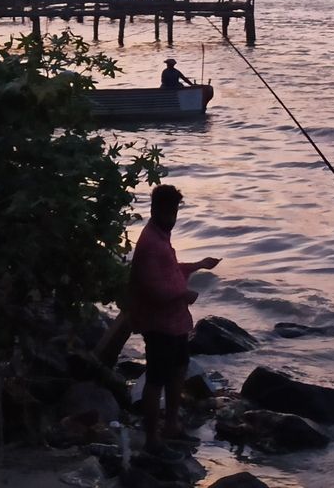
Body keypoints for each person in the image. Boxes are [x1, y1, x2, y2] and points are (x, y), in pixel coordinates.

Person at [129, 184, 221, 462]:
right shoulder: (149, 244)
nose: (173, 217)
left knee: (178, 370)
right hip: (159, 324)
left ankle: (172, 424)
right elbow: (154, 289)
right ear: (156, 210)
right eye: (169, 211)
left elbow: (170, 271)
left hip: (177, 323)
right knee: (156, 379)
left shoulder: (161, 238)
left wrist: (198, 265)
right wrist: (185, 293)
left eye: (175, 211)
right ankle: (152, 439)